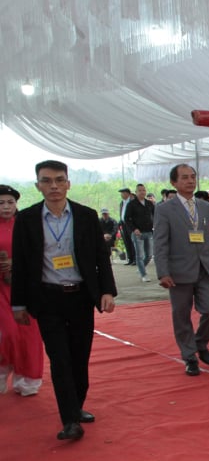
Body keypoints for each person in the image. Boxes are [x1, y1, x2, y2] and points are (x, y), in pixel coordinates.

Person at [10, 160, 117, 441]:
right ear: (38, 186)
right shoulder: (28, 218)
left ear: (68, 183)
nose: (54, 186)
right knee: (59, 359)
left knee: (79, 358)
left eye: (59, 180)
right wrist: (18, 304)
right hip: (47, 299)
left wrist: (107, 291)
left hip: (81, 297)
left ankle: (76, 406)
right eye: (47, 181)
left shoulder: (85, 215)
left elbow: (100, 257)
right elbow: (20, 264)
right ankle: (70, 420)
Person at [153, 164, 209, 377]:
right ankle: (189, 356)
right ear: (174, 183)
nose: (190, 181)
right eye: (184, 178)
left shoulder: (207, 208)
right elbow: (160, 244)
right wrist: (163, 272)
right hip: (178, 273)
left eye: (193, 177)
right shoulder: (164, 210)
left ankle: (200, 341)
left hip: (205, 270)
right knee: (182, 315)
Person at [0, 185, 44, 397]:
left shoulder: (25, 224)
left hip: (23, 288)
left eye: (10, 202)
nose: (6, 207)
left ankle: (26, 380)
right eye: (1, 203)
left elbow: (37, 253)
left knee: (28, 333)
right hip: (0, 289)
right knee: (8, 333)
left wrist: (15, 263)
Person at [124, 183, 155, 281]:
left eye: (144, 190)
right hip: (138, 233)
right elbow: (126, 218)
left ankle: (141, 268)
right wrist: (134, 229)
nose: (142, 192)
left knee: (149, 255)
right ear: (136, 192)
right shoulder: (131, 204)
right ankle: (143, 274)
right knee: (140, 255)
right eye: (140, 190)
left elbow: (155, 215)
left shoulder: (149, 203)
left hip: (149, 232)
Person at [117, 187, 136, 265]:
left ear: (128, 194)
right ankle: (130, 258)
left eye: (123, 193)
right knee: (127, 241)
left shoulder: (132, 202)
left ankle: (135, 259)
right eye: (121, 193)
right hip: (123, 224)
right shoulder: (122, 202)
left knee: (132, 241)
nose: (122, 194)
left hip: (131, 224)